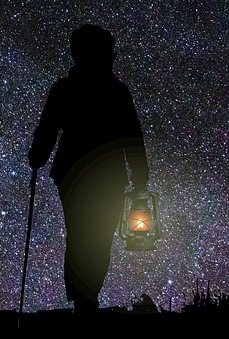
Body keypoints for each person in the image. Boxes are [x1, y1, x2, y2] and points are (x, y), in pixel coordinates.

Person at [28, 24, 149, 313]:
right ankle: (86, 297)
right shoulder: (116, 91)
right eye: (109, 52)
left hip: (72, 171)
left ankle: (84, 296)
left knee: (83, 234)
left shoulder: (65, 89)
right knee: (96, 236)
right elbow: (132, 135)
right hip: (106, 174)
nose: (112, 57)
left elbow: (47, 129)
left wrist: (38, 157)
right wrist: (139, 175)